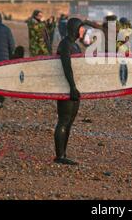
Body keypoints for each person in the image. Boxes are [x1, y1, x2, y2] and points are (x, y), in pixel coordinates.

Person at [54, 18, 86, 165]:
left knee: (70, 122)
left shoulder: (75, 45)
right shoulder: (65, 44)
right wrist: (72, 86)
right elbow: (66, 66)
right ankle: (59, 156)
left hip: (74, 88)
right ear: (75, 28)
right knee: (64, 120)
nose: (83, 30)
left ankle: (64, 153)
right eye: (81, 28)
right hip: (66, 88)